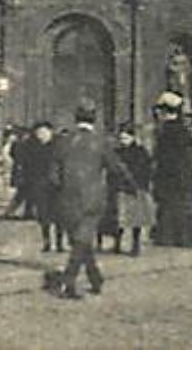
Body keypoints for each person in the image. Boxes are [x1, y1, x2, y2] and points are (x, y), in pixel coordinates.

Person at [44, 101, 133, 300]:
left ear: (76, 118)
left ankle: (95, 278)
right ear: (95, 118)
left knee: (80, 240)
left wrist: (58, 192)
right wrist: (131, 186)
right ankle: (69, 281)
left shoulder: (63, 141)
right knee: (82, 240)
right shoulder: (101, 142)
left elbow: (53, 174)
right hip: (92, 198)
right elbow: (117, 168)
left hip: (66, 198)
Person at [150, 92, 192, 247]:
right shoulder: (184, 130)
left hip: (170, 175)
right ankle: (188, 236)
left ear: (165, 112)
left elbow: (162, 157)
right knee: (186, 205)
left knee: (170, 205)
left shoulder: (166, 132)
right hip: (184, 175)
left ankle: (171, 236)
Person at [100, 124, 155, 256]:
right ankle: (117, 244)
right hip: (119, 189)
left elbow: (146, 169)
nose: (123, 141)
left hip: (135, 189)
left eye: (126, 138)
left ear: (132, 137)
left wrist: (140, 184)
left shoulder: (140, 152)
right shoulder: (117, 152)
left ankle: (135, 245)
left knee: (136, 219)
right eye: (121, 138)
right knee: (119, 219)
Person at [24, 122, 60, 252]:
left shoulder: (58, 146)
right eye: (38, 133)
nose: (41, 136)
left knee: (58, 215)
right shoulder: (32, 147)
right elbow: (28, 165)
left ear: (50, 132)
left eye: (44, 133)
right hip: (39, 185)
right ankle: (47, 242)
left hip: (56, 185)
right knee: (43, 215)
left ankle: (59, 242)